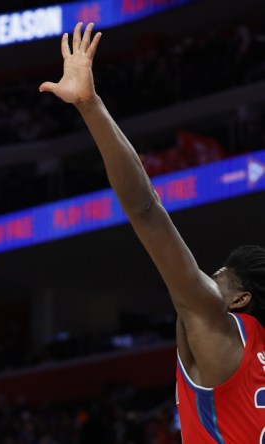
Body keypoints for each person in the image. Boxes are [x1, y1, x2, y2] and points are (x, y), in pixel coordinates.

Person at [40, 22, 265, 442]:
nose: (205, 276)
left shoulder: (220, 330)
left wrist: (91, 106)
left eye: (218, 274)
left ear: (240, 299)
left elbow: (146, 211)